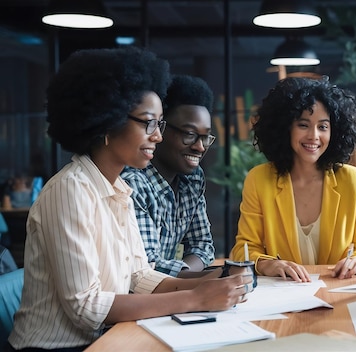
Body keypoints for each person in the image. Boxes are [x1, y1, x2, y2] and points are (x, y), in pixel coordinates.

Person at [8, 47, 252, 351]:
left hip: (109, 340)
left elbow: (140, 277)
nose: (158, 136)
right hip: (58, 348)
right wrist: (195, 298)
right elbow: (86, 307)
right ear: (108, 123)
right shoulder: (70, 190)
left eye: (159, 124)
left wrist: (212, 280)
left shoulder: (119, 189)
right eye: (149, 123)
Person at [230, 77, 356, 281]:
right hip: (281, 295)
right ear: (285, 128)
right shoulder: (259, 180)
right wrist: (268, 265)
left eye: (323, 127)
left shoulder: (354, 181)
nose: (313, 135)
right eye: (303, 125)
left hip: (336, 292)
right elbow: (243, 250)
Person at [122, 75, 217, 278]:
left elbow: (202, 245)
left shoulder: (192, 179)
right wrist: (202, 279)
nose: (200, 146)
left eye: (205, 137)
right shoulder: (133, 182)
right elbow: (148, 267)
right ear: (160, 128)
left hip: (167, 294)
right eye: (189, 134)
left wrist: (186, 277)